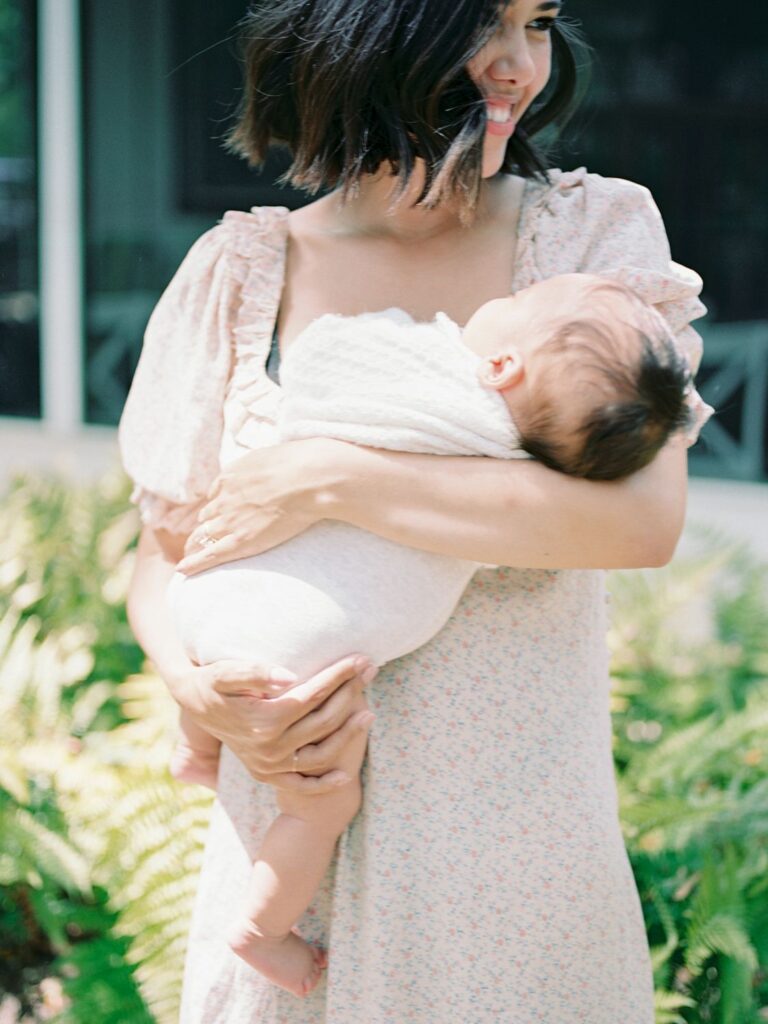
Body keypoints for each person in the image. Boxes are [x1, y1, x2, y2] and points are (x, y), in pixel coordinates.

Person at [121, 0, 709, 1020]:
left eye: (540, 23)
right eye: (491, 23)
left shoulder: (589, 240)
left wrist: (326, 475)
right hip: (293, 879)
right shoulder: (242, 272)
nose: (522, 65)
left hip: (515, 877)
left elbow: (640, 522)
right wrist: (201, 694)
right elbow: (163, 552)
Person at [163, 273, 708, 997]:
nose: (492, 301)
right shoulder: (507, 461)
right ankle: (262, 929)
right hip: (309, 651)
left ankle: (196, 746)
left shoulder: (407, 361)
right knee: (319, 803)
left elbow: (324, 354)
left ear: (502, 366)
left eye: (512, 303)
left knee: (235, 665)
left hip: (220, 595)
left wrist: (327, 468)